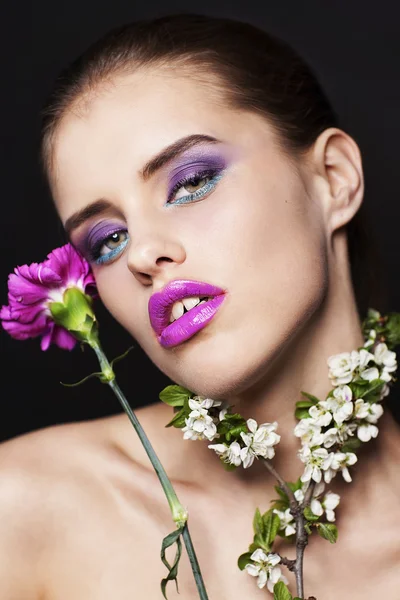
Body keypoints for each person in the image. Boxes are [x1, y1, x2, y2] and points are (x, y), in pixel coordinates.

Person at [1, 12, 399, 600]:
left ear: (334, 179)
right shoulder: (27, 507)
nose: (143, 255)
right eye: (108, 239)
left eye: (190, 183)